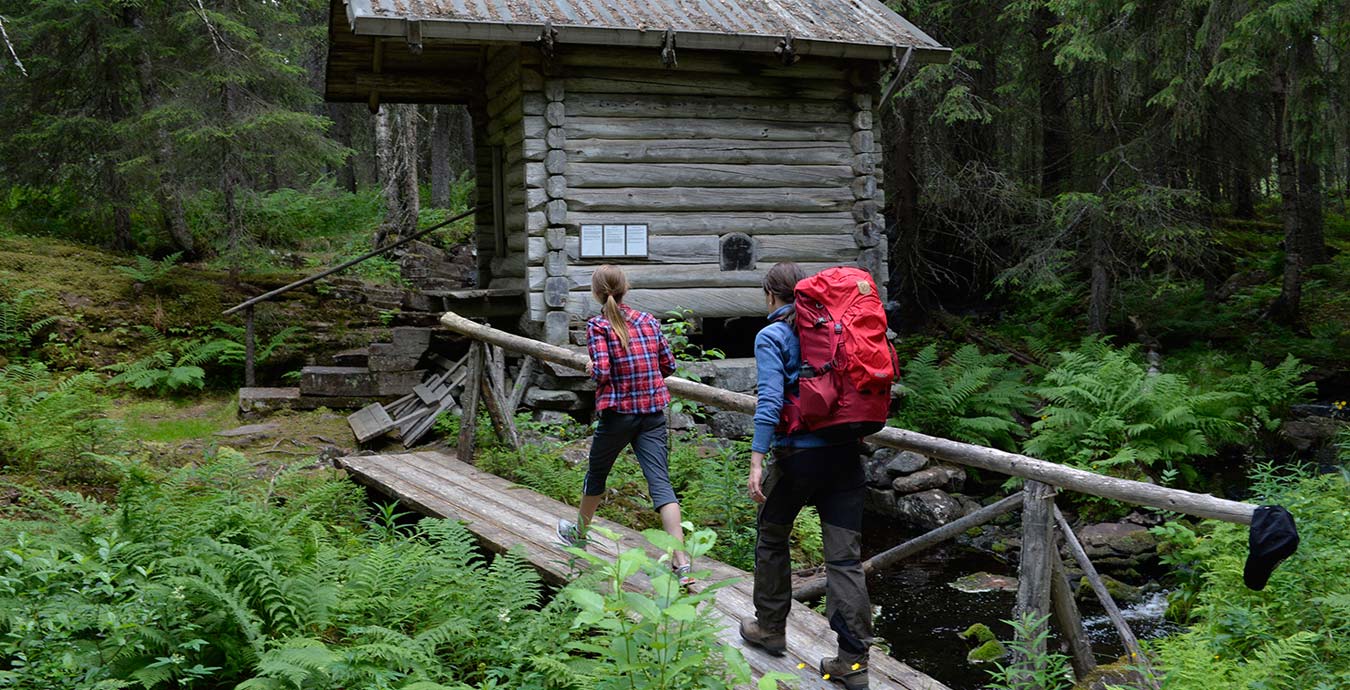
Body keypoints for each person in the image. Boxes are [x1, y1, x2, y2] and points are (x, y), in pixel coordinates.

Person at [739, 262, 873, 689]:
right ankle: (853, 664)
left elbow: (771, 400)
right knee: (845, 560)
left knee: (773, 535)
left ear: (770, 295)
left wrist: (757, 457)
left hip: (799, 458)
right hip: (846, 455)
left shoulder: (772, 335)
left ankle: (771, 628)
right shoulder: (835, 328)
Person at [556, 264, 693, 586]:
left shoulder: (599, 325)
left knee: (597, 474)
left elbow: (602, 372)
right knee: (661, 484)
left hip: (619, 414)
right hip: (653, 412)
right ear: (625, 288)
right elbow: (668, 365)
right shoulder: (648, 321)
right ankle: (682, 561)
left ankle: (579, 534)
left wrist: (591, 365)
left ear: (596, 293)